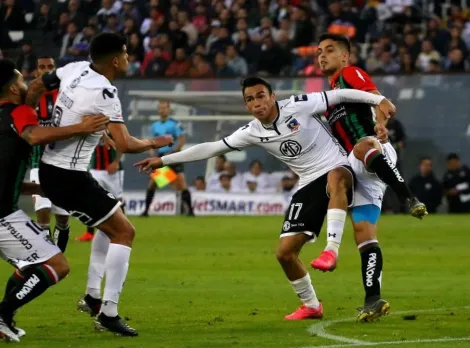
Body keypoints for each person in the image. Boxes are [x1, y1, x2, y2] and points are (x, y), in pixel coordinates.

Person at [135, 76, 395, 320]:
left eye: (261, 96)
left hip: (340, 169)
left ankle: (331, 250)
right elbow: (211, 148)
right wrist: (163, 160)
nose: (256, 103)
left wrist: (377, 99)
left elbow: (338, 95)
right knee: (284, 253)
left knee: (337, 176)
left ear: (272, 96)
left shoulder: (297, 105)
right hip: (308, 184)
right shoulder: (251, 131)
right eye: (250, 99)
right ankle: (312, 306)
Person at [25, 33, 173, 336]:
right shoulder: (106, 93)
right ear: (116, 59)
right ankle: (108, 312)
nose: (130, 59)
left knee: (113, 225)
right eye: (127, 54)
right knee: (125, 232)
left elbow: (37, 85)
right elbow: (126, 144)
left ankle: (94, 294)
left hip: (58, 170)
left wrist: (23, 123)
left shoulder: (74, 68)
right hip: (68, 176)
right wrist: (155, 143)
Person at [315, 33, 426, 322]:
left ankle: (408, 197)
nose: (322, 56)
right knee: (364, 236)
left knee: (363, 145)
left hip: (375, 149)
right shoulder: (327, 97)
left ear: (345, 57)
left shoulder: (350, 74)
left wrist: (379, 124)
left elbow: (377, 98)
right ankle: (373, 299)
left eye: (329, 50)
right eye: (318, 52)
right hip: (358, 165)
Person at [0, 59, 109, 342]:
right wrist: (81, 128)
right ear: (13, 88)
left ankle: (5, 318)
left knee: (27, 265)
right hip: (1, 215)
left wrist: (33, 188)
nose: (27, 86)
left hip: (7, 209)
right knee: (57, 265)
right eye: (22, 82)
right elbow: (34, 135)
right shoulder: (19, 111)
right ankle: (2, 315)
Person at [29, 56, 71, 253]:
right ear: (36, 71)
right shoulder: (28, 96)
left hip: (62, 164)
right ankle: (46, 259)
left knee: (62, 219)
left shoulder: (65, 95)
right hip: (38, 163)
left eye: (50, 67)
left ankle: (58, 255)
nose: (46, 70)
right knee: (42, 213)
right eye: (41, 67)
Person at [141, 100, 194, 217]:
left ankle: (190, 211)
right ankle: (145, 211)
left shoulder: (175, 124)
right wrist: (152, 152)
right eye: (160, 108)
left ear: (169, 110)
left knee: (181, 183)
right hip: (161, 158)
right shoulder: (155, 125)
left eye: (164, 108)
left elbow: (181, 140)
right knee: (153, 184)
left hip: (174, 157)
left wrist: (176, 151)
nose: (162, 110)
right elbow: (153, 142)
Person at [77, 134, 124, 242]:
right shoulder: (93, 123)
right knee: (91, 198)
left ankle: (122, 229)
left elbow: (122, 143)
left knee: (118, 199)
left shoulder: (113, 125)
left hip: (113, 170)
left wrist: (116, 162)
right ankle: (89, 233)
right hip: (95, 169)